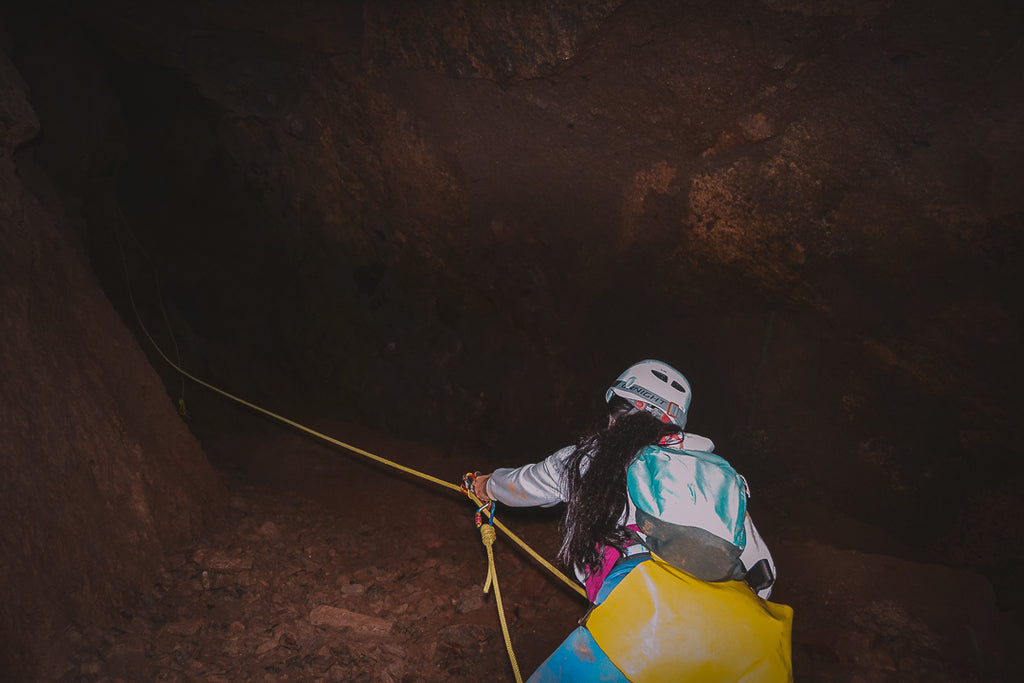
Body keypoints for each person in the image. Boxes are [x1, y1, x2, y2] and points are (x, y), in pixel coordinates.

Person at [472, 359, 791, 682]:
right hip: (743, 643)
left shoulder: (593, 455)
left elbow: (523, 486)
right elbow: (764, 573)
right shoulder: (716, 480)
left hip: (641, 621)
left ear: (622, 408)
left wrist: (483, 486)